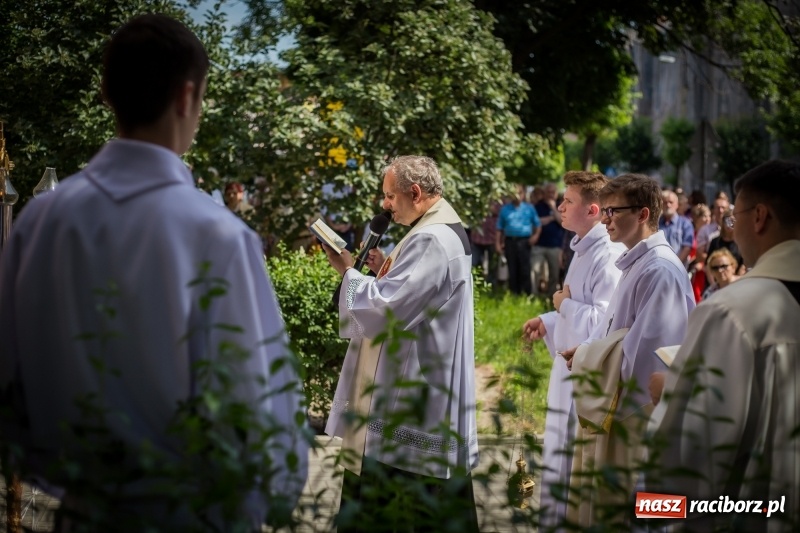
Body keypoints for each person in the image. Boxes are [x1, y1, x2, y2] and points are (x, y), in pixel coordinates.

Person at [0, 14, 307, 530]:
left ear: (107, 93)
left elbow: (11, 385)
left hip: (81, 512)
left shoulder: (41, 220)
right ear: (187, 97)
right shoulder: (218, 235)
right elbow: (262, 407)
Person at [321, 155, 479, 533]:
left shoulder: (431, 239)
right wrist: (377, 273)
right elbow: (413, 295)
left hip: (410, 396)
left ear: (416, 192)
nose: (385, 204)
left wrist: (348, 271)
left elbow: (386, 310)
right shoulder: (440, 227)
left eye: (390, 196)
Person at [648, 160, 800, 531]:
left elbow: (688, 456)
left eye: (735, 216)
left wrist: (673, 393)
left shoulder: (732, 311)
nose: (731, 226)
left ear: (759, 217)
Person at [560, 174, 695, 526]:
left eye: (613, 211)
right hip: (622, 410)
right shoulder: (637, 262)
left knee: (639, 512)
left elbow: (649, 359)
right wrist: (586, 349)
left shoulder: (659, 270)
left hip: (639, 419)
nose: (605, 220)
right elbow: (616, 330)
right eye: (604, 211)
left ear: (642, 214)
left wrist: (589, 359)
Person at [521, 171, 624, 528]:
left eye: (568, 201)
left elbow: (604, 324)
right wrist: (549, 320)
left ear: (593, 210)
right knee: (558, 459)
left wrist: (562, 305)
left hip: (584, 377)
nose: (560, 207)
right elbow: (578, 306)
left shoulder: (607, 255)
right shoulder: (583, 248)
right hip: (567, 371)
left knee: (571, 464)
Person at [495, 184, 541, 295]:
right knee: (512, 268)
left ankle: (526, 294)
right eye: (515, 193)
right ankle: (514, 293)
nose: (517, 196)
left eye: (520, 193)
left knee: (525, 268)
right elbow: (499, 228)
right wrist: (497, 243)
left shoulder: (529, 208)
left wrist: (535, 236)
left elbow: (538, 225)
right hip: (510, 241)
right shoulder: (505, 209)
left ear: (523, 194)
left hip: (524, 241)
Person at [531, 182, 565, 296]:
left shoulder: (561, 206)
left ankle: (551, 296)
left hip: (555, 246)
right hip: (539, 245)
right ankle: (534, 295)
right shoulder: (538, 206)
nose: (551, 194)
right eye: (548, 192)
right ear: (544, 193)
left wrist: (553, 208)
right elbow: (536, 222)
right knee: (534, 271)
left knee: (554, 274)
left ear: (556, 193)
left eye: (553, 192)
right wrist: (552, 218)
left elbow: (562, 222)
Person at [658, 190, 694, 265]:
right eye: (665, 202)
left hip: (677, 266)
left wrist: (674, 265)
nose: (668, 205)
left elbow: (687, 248)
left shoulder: (685, 224)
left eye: (671, 202)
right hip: (658, 266)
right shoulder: (656, 224)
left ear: (677, 205)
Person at [706, 207, 745, 274]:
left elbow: (743, 265)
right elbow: (708, 265)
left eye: (732, 221)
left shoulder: (741, 243)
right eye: (727, 221)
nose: (729, 224)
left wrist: (736, 278)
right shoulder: (715, 242)